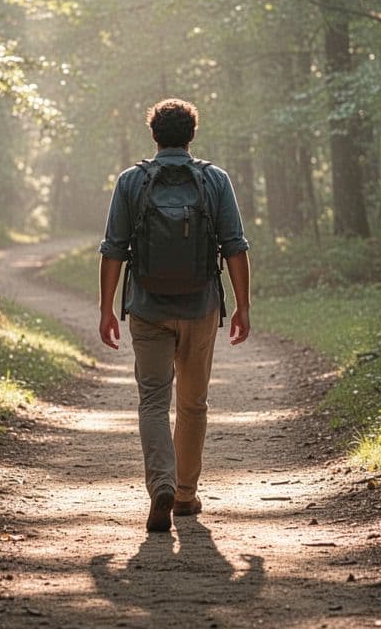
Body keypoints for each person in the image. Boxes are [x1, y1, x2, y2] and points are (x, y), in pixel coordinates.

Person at [97, 97, 251, 533]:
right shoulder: (214, 180)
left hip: (147, 309)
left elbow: (114, 250)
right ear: (191, 135)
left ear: (153, 135)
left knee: (152, 400)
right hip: (201, 307)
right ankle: (184, 495)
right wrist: (242, 305)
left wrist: (107, 309)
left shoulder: (132, 181)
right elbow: (235, 245)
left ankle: (160, 486)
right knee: (193, 403)